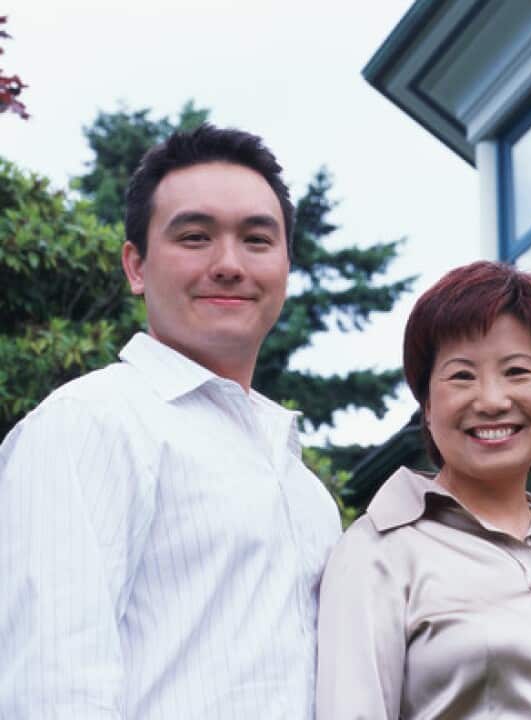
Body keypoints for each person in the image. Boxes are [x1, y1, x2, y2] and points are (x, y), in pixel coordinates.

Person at [0, 125, 341, 718]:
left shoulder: (305, 490)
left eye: (257, 240)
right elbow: (53, 687)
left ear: (286, 264)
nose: (229, 264)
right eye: (195, 236)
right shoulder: (89, 424)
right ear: (136, 266)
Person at [315, 261, 531, 719]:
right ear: (426, 405)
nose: (491, 400)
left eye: (518, 372)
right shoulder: (378, 553)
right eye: (462, 376)